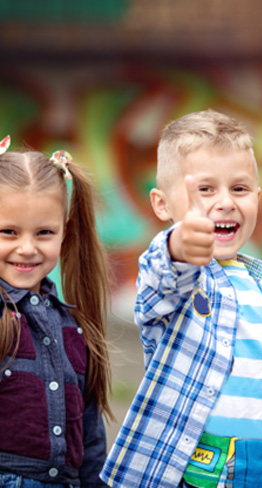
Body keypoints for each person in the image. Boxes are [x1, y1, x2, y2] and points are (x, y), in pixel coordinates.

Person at [101, 109, 262, 488]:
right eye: (205, 189)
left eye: (239, 188)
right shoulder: (181, 278)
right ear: (162, 204)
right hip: (206, 471)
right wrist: (178, 246)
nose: (225, 202)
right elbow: (162, 279)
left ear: (258, 197)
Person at [0, 136, 113, 487]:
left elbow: (91, 442)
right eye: (8, 232)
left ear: (65, 233)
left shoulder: (74, 327)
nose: (27, 247)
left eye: (44, 232)